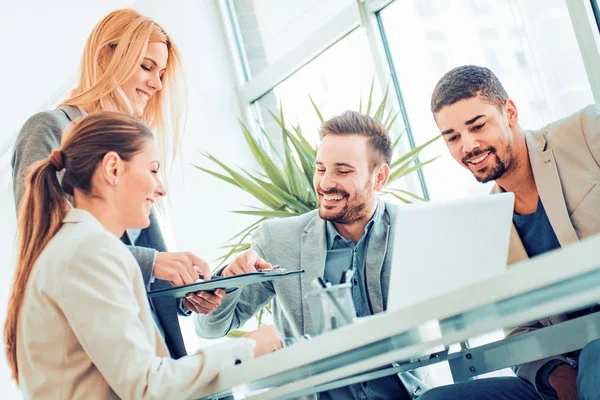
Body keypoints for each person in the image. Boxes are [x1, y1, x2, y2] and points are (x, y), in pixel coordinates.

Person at [11, 8, 226, 359]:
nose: (156, 84)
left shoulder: (128, 149)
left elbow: (141, 267)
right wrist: (154, 263)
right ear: (105, 57)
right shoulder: (49, 129)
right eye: (146, 66)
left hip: (152, 354)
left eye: (160, 73)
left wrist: (182, 290)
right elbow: (48, 244)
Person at [4, 112, 255, 398]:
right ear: (113, 169)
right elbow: (146, 386)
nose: (160, 189)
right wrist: (247, 349)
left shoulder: (74, 247)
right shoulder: (89, 252)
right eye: (153, 170)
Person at [196, 111, 430, 399]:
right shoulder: (279, 240)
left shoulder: (413, 230)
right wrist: (227, 282)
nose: (325, 183)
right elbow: (210, 327)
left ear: (379, 177)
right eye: (320, 169)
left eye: (342, 171)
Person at [420, 65, 600, 399]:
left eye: (478, 126)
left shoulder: (585, 133)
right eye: (453, 137)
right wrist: (553, 375)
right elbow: (519, 327)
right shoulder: (488, 226)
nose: (468, 145)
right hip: (568, 368)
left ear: (510, 113)